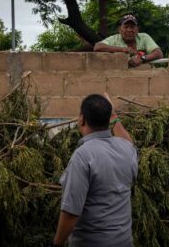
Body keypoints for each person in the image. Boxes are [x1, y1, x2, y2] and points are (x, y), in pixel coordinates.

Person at [53, 93, 138, 247]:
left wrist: (57, 244)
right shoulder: (126, 149)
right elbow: (128, 143)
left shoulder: (83, 156)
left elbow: (71, 212)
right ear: (108, 119)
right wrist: (113, 116)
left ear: (82, 119)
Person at [93, 14, 163, 68]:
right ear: (119, 29)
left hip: (148, 77)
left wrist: (142, 59)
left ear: (137, 29)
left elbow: (158, 53)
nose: (129, 30)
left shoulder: (144, 37)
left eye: (132, 27)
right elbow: (97, 47)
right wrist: (124, 49)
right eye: (126, 27)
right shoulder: (114, 39)